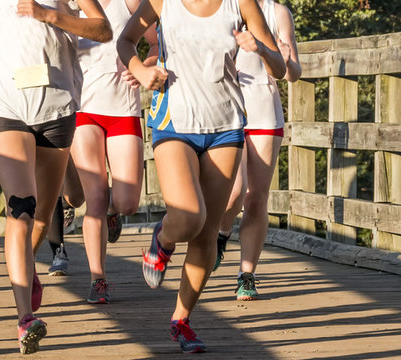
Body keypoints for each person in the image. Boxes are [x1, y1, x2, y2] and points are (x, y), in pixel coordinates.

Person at [118, 0, 285, 353]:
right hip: (174, 123)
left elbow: (281, 66)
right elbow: (125, 41)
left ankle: (181, 320)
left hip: (226, 126)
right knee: (190, 215)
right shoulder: (162, 2)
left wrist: (261, 50)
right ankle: (162, 239)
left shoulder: (241, 4)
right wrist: (141, 70)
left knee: (208, 232)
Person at [0, 0, 111, 354]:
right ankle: (25, 319)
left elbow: (103, 29)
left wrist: (49, 14)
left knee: (41, 216)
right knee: (21, 209)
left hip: (58, 106)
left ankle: (28, 267)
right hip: (6, 105)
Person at [70, 0, 157, 304]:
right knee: (94, 196)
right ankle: (98, 278)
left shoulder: (131, 2)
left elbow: (158, 44)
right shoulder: (68, 5)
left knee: (127, 202)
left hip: (123, 110)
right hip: (82, 109)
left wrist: (145, 66)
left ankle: (112, 211)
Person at [215, 0, 300, 301]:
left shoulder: (278, 13)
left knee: (256, 197)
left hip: (264, 112)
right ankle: (221, 233)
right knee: (235, 190)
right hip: (227, 111)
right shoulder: (220, 7)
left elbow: (292, 73)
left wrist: (286, 59)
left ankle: (246, 275)